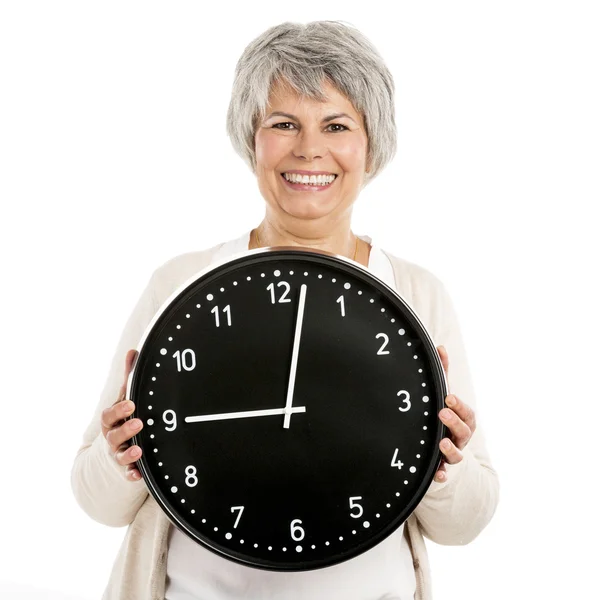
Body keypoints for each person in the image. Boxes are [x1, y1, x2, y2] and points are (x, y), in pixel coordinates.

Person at [71, 20, 499, 600]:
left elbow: (465, 523)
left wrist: (442, 466)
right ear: (252, 139)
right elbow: (97, 502)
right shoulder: (181, 284)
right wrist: (118, 456)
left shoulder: (417, 294)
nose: (309, 148)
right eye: (283, 124)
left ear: (372, 145)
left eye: (337, 125)